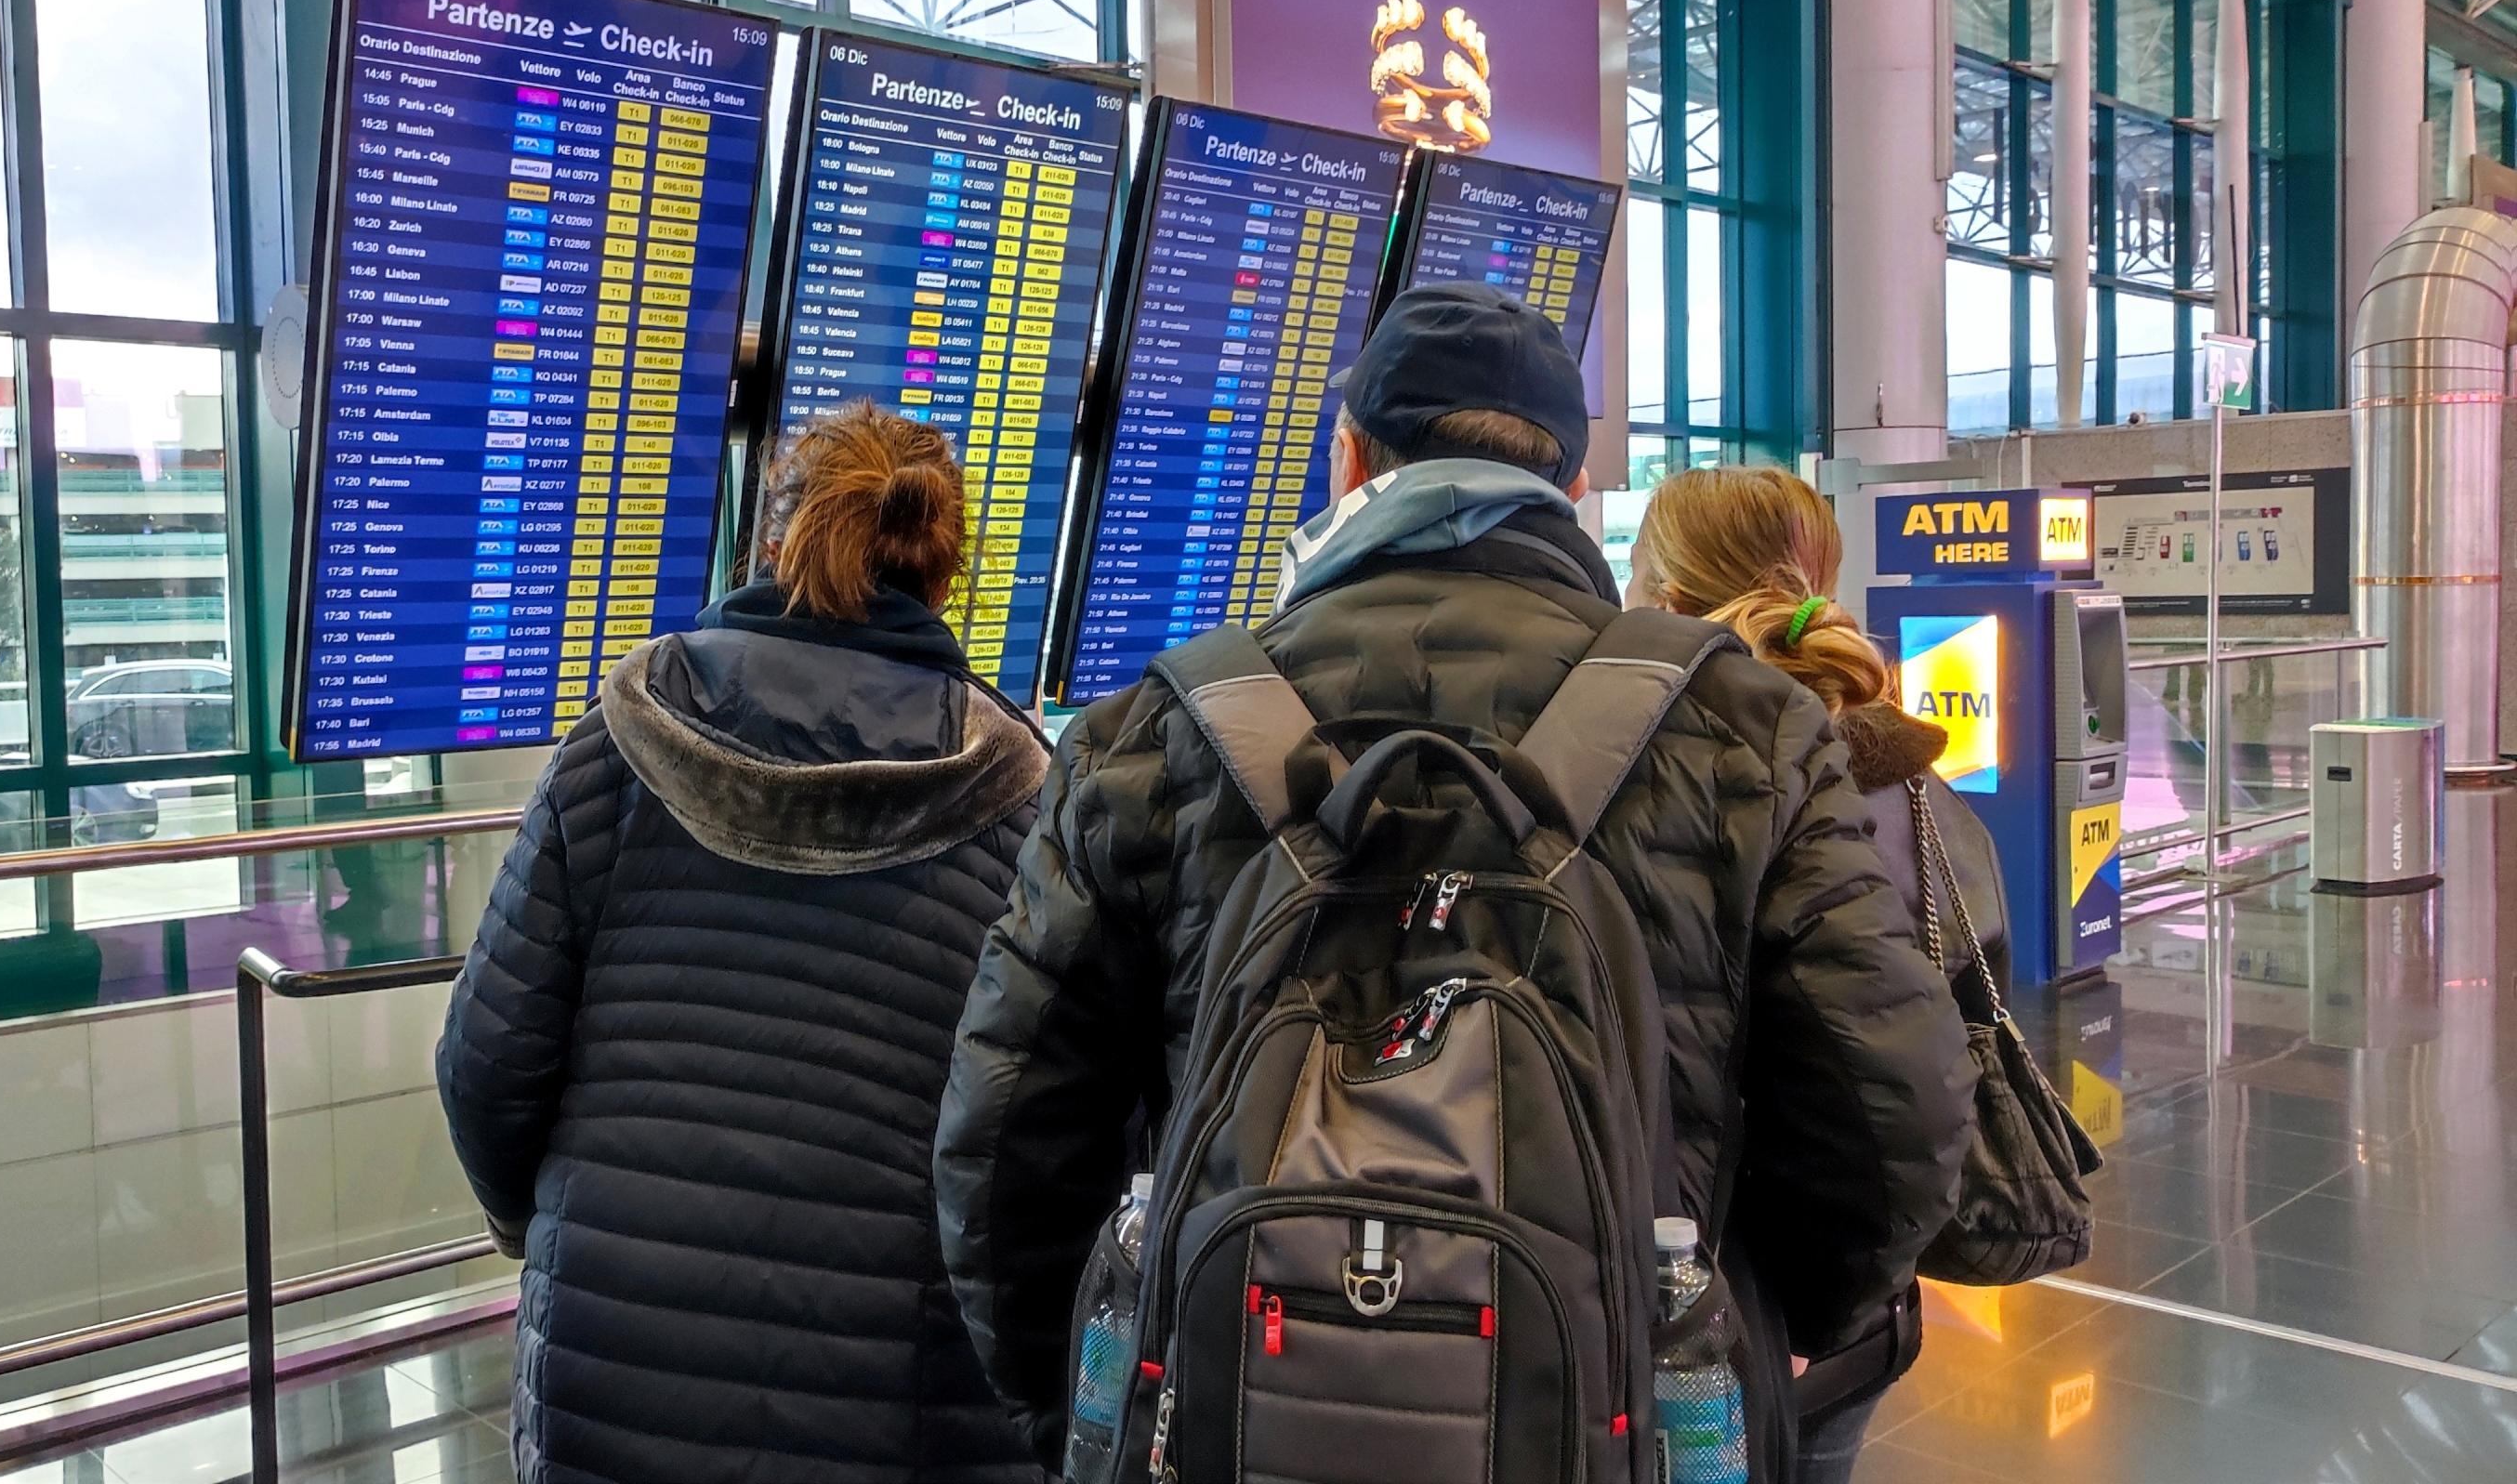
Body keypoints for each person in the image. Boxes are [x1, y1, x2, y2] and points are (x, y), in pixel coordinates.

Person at [933, 282, 1972, 1479]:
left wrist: (1076, 1400)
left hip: (1231, 1406)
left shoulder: (1155, 730)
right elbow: (1896, 1107)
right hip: (1609, 1415)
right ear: (1573, 492)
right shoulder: (1742, 728)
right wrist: (1747, 1315)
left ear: (1351, 460)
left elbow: (1009, 1133)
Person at [439, 401, 1051, 1484]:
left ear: (770, 542)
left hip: (609, 1358)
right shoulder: (1021, 808)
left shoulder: (614, 752)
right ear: (944, 572)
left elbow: (486, 1064)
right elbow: (1053, 1138)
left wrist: (541, 1230)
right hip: (893, 1389)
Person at [1628, 464, 2010, 1483]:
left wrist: (1801, 1305)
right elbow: (1953, 1033)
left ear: (1665, 600)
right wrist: (1853, 1297)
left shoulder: (1678, 789)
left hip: (1729, 1302)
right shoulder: (1912, 782)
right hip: (1862, 1304)